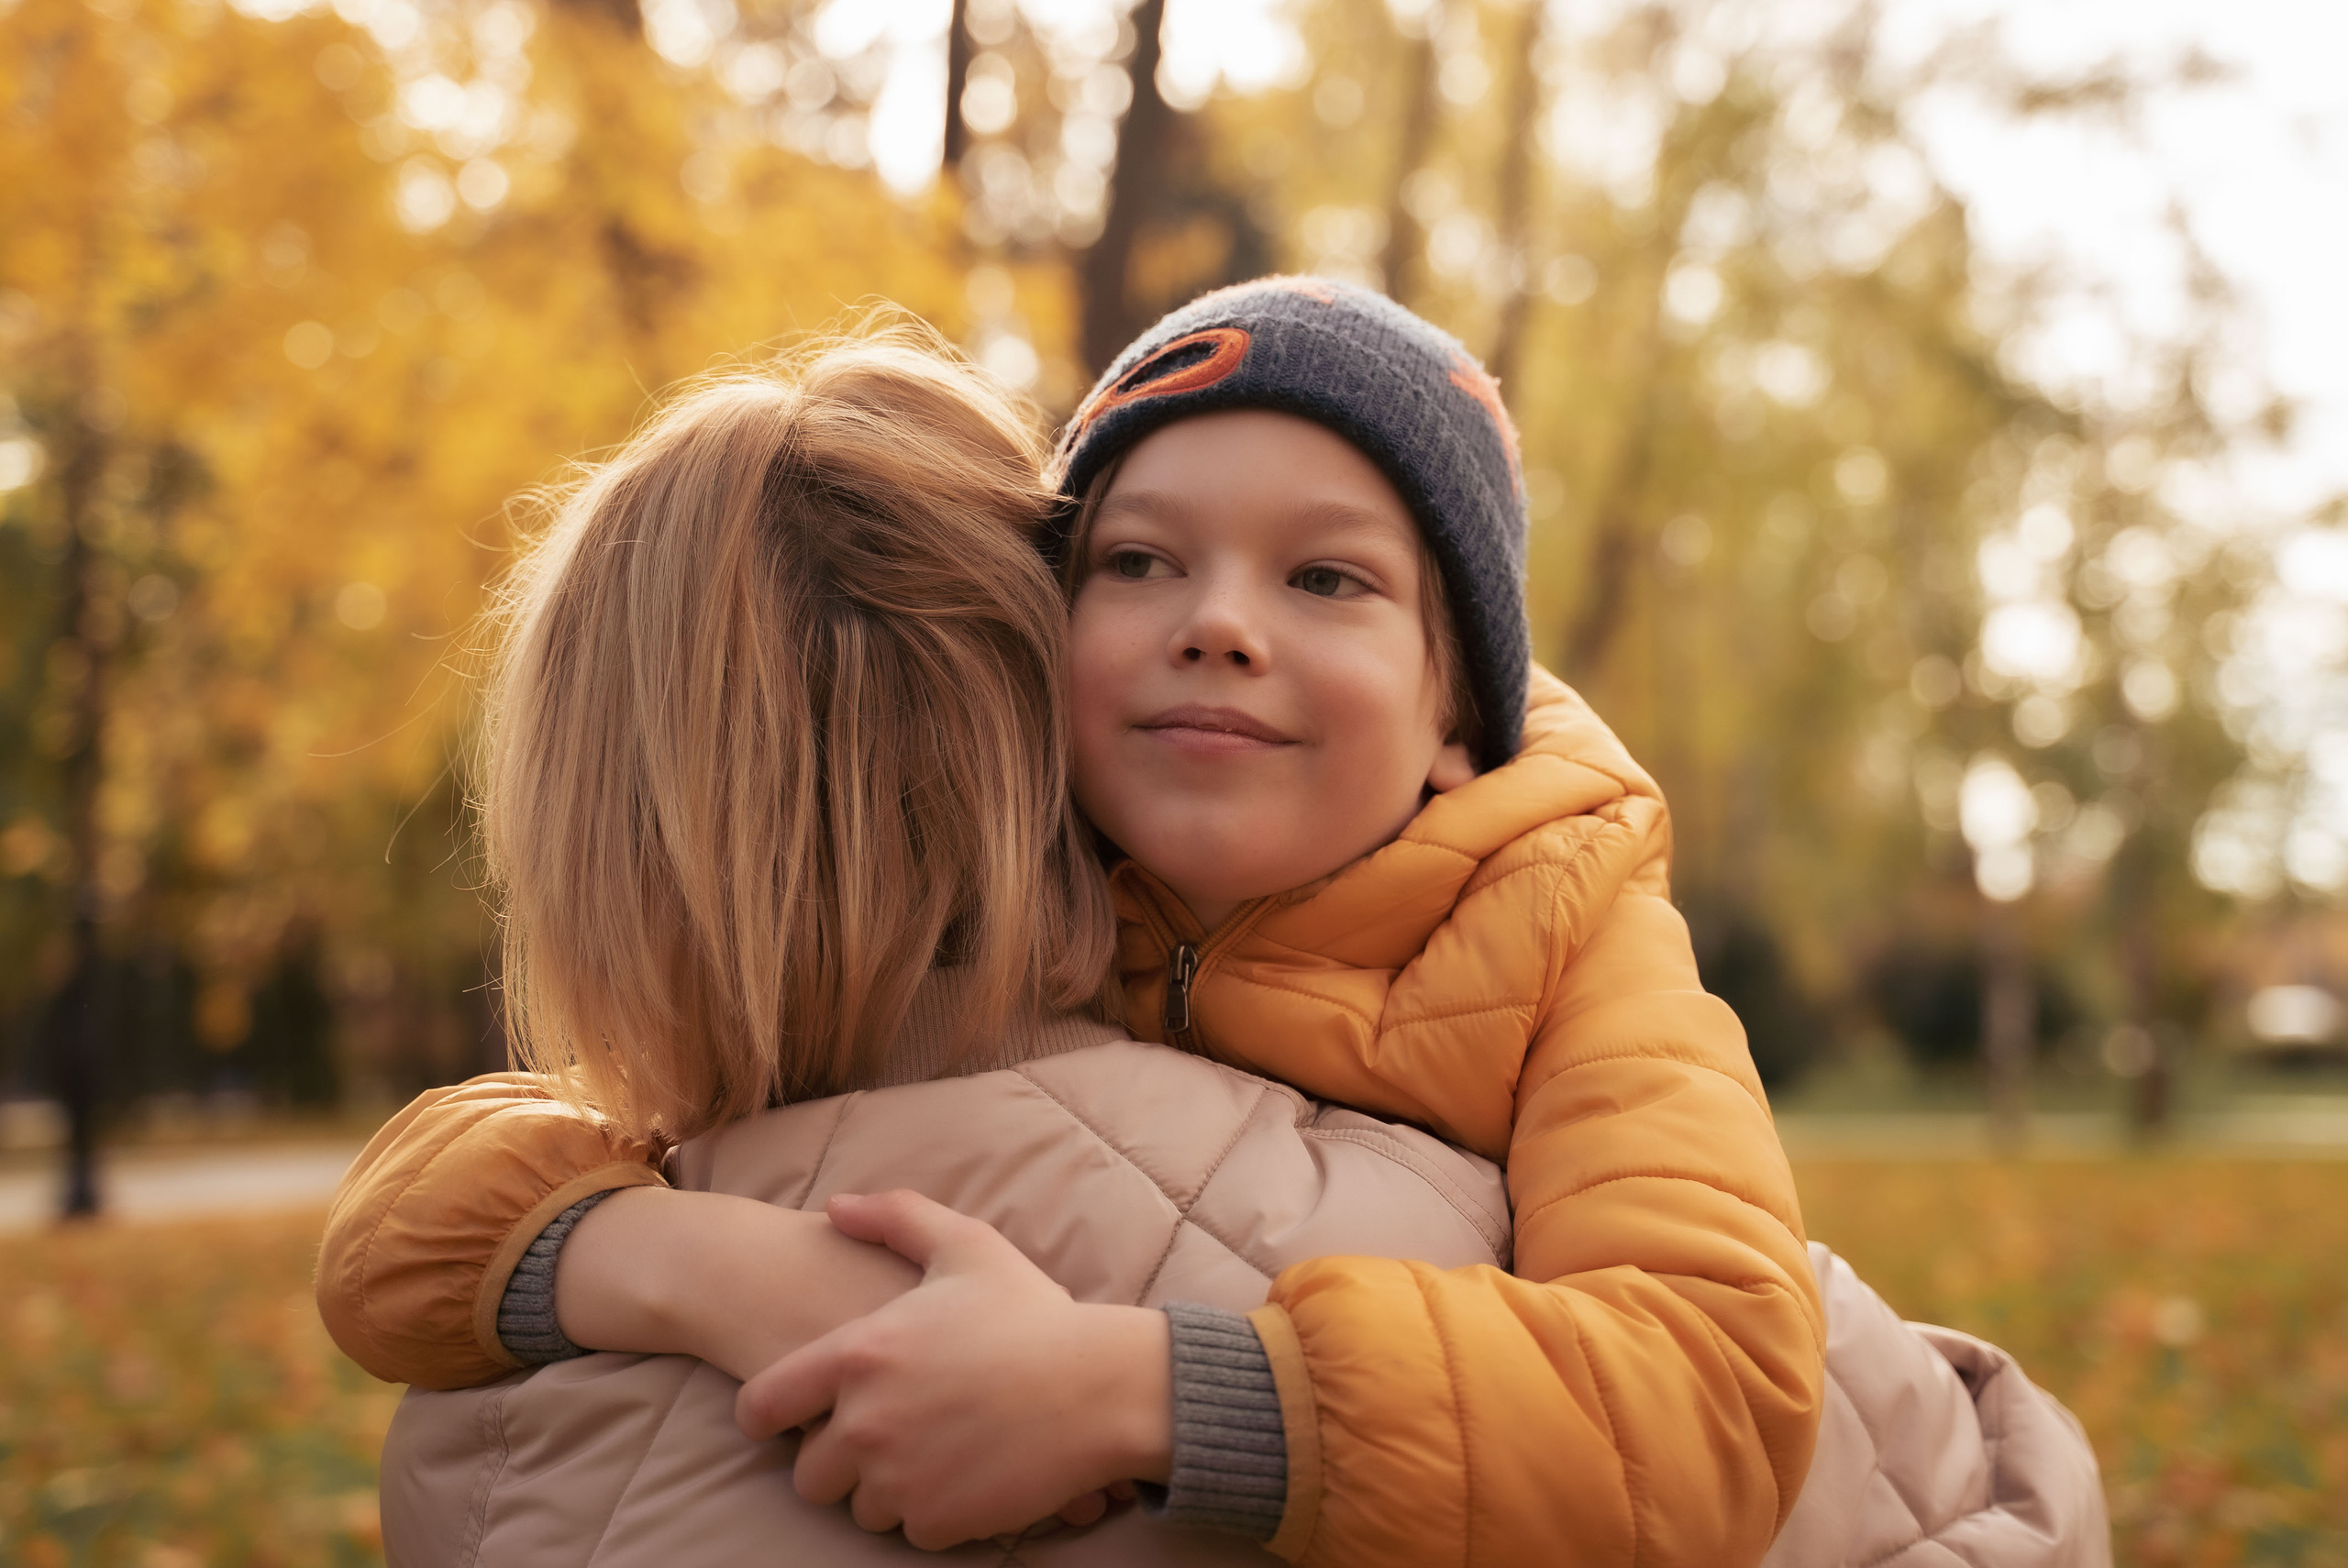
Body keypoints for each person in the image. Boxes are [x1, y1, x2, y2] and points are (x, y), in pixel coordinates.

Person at [323, 284, 2104, 1567]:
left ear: (1454, 720)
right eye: (1137, 561)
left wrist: (1141, 1394)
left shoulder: (1568, 942)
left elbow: (1710, 1395)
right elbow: (410, 1221)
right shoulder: (1059, 897)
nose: (1218, 623)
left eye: (1325, 577)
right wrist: (709, 1268)